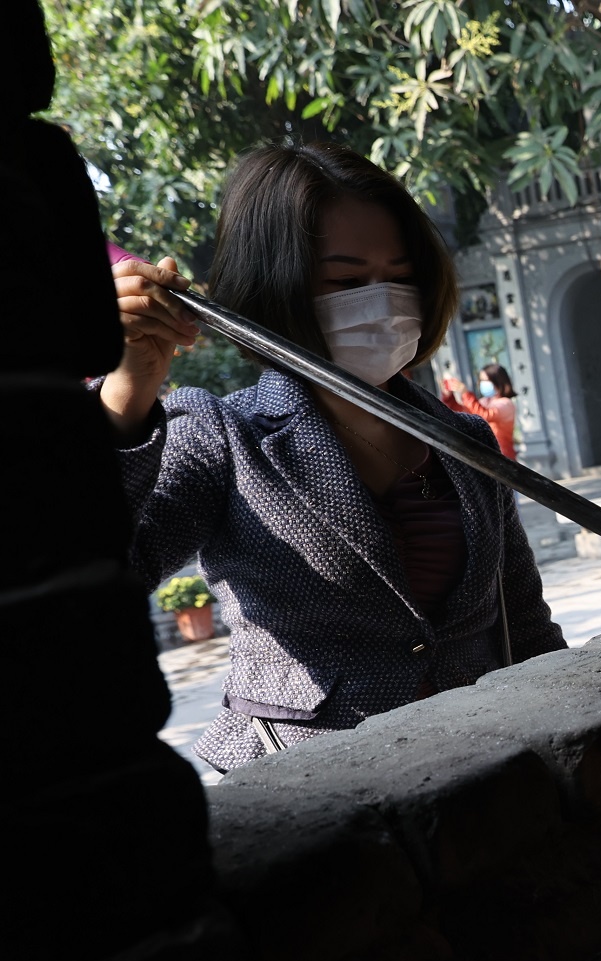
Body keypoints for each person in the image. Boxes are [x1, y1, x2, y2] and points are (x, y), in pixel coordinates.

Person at [99, 141, 566, 772]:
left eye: (401, 278)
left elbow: (526, 628)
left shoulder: (466, 443)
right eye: (346, 281)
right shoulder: (225, 439)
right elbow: (99, 576)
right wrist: (123, 404)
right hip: (313, 792)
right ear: (279, 289)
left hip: (484, 779)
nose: (383, 300)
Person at [440, 361, 518, 461]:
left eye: (486, 380)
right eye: (481, 380)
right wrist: (448, 397)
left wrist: (466, 394)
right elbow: (462, 413)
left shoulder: (506, 404)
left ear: (498, 381)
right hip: (484, 456)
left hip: (502, 457)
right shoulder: (484, 401)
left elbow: (483, 415)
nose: (482, 383)